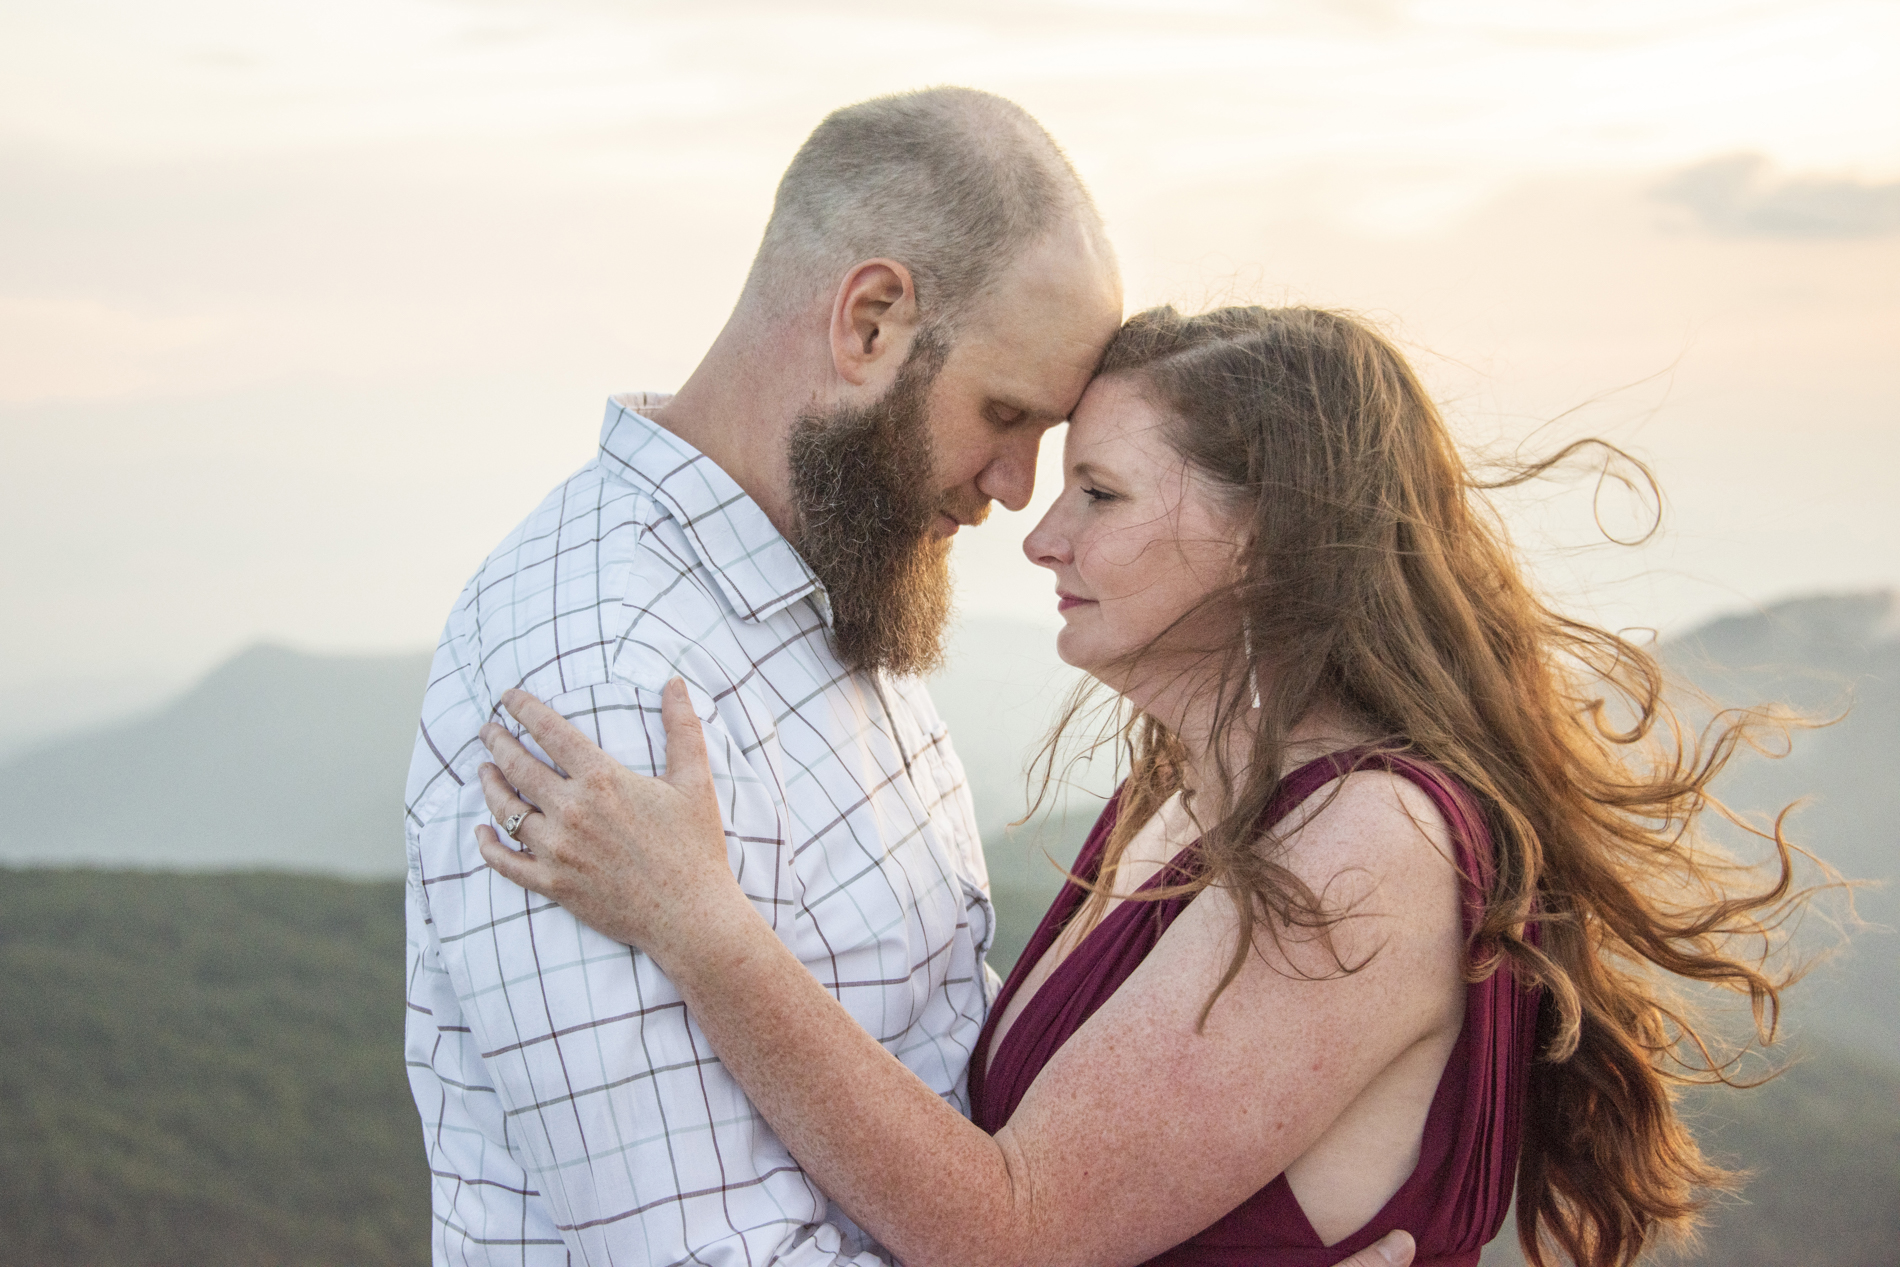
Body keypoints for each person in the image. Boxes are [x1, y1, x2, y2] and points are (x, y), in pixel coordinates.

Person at [472, 306, 1809, 1266]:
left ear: (1268, 536)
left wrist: (699, 926)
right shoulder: (1192, 794)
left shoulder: (1371, 840)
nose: (1039, 534)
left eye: (1101, 493)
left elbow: (1008, 1228)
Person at [403, 85, 1416, 1267]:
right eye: (1005, 413)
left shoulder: (833, 589)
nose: (1016, 493)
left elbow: (946, 1069)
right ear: (871, 320)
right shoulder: (613, 681)